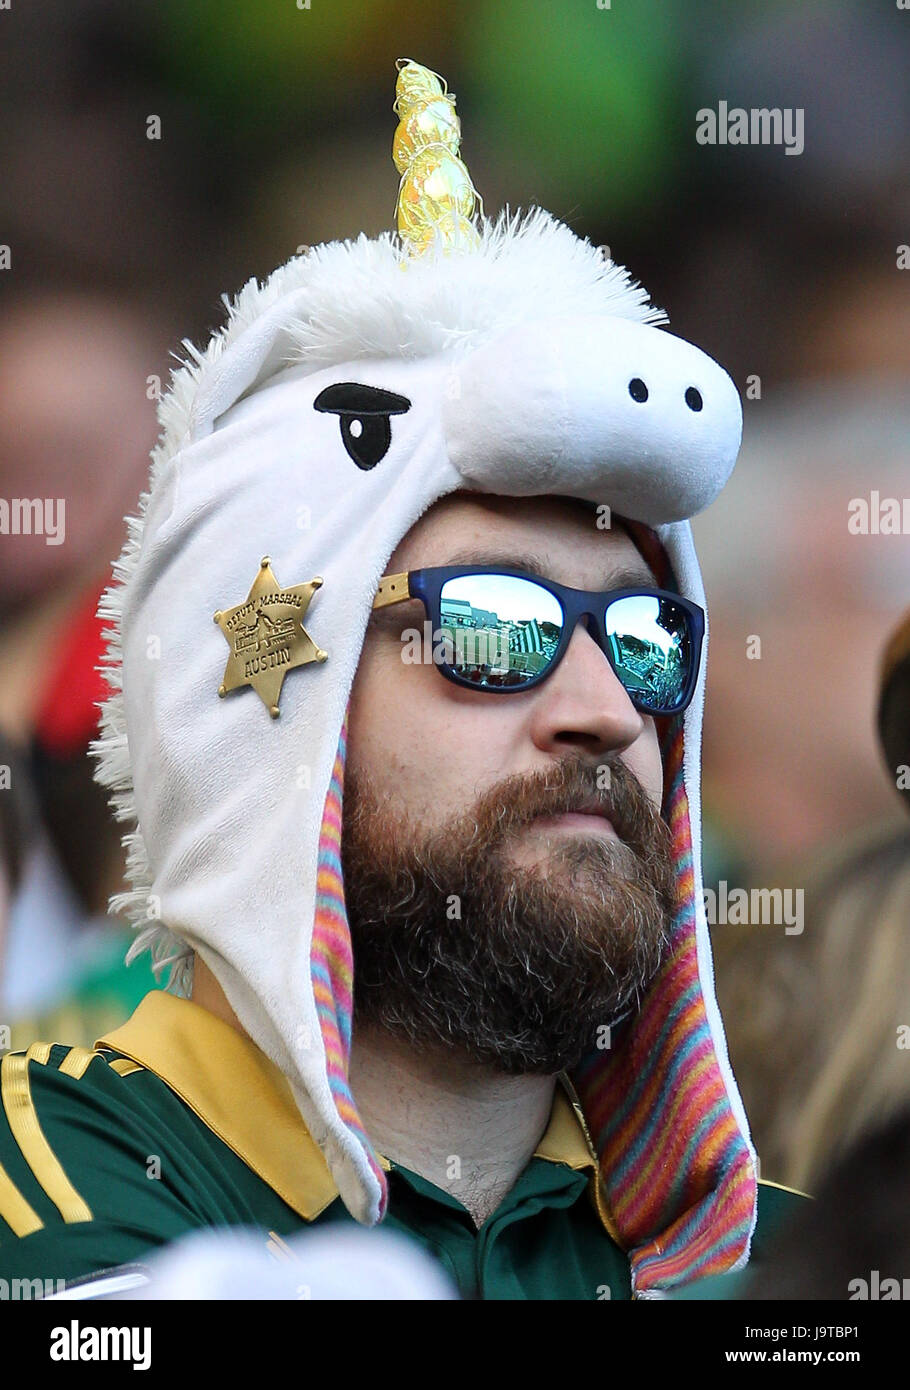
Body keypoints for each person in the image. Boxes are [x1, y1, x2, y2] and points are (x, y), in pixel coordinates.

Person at [0, 60, 805, 1301]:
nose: (605, 710)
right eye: (492, 625)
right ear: (270, 722)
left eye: (647, 638)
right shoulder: (50, 1188)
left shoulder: (789, 1264)